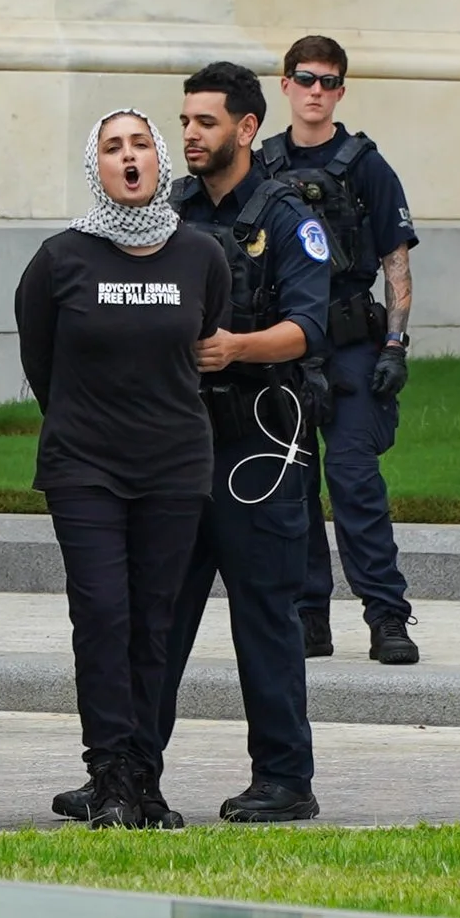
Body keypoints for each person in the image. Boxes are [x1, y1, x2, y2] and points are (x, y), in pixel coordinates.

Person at [17, 111, 229, 830]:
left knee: (154, 623)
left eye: (140, 144)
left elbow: (202, 344)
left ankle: (146, 778)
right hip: (86, 466)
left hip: (174, 465)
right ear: (96, 167)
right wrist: (88, 422)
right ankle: (107, 776)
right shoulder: (60, 258)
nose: (128, 156)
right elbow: (41, 362)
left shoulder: (202, 254)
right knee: (105, 615)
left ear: (159, 160)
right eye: (113, 147)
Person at [157, 61, 331, 822]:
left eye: (205, 122)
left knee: (265, 615)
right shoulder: (170, 211)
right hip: (179, 443)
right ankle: (129, 771)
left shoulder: (291, 217)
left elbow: (309, 328)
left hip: (258, 444)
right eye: (186, 121)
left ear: (247, 128)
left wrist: (235, 349)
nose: (189, 135)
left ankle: (285, 778)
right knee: (157, 616)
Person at [256, 35, 422, 666]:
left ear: (341, 91)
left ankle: (386, 617)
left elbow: (395, 262)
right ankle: (308, 620)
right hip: (287, 348)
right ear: (286, 86)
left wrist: (396, 345)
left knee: (355, 484)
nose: (316, 92)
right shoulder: (264, 165)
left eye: (328, 82)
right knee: (290, 489)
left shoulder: (366, 165)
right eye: (305, 79)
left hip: (353, 344)